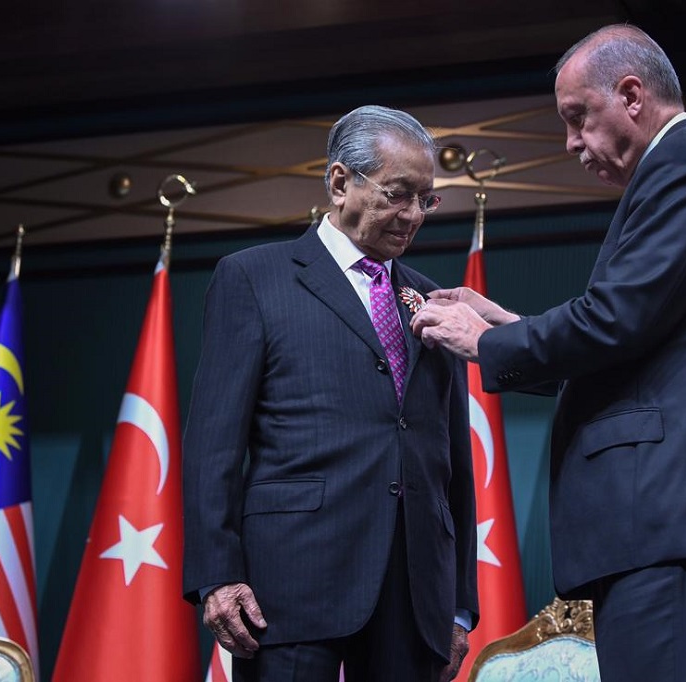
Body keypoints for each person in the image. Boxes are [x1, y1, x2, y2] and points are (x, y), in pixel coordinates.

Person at [410, 24, 686, 682]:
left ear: (631, 95)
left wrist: (487, 342)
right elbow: (639, 342)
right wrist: (507, 320)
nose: (570, 144)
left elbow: (616, 319)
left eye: (577, 118)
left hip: (675, 519)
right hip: (672, 524)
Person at [182, 104, 478, 682]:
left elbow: (452, 464)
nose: (414, 214)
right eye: (398, 193)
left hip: (416, 595)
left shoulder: (434, 301)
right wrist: (218, 575)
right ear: (341, 182)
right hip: (289, 588)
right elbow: (214, 442)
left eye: (426, 199)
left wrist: (459, 603)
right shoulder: (253, 277)